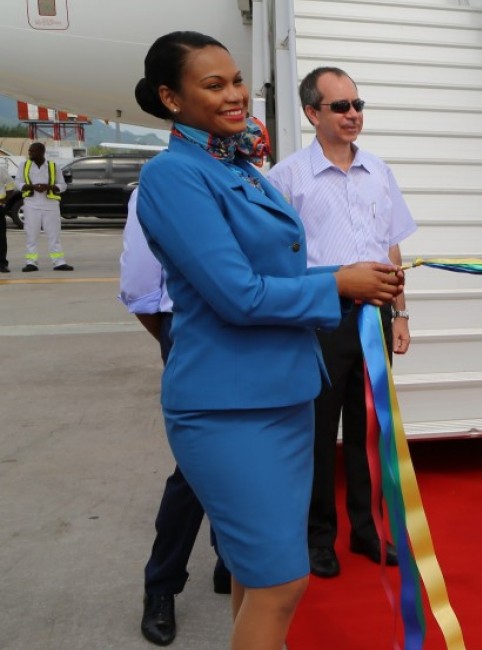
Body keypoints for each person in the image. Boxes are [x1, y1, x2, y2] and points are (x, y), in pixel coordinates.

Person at [133, 31, 402, 649]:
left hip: (283, 398)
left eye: (235, 81)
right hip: (228, 409)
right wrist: (337, 282)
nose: (234, 95)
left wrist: (355, 283)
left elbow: (274, 276)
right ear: (171, 98)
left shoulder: (240, 168)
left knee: (259, 581)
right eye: (213, 84)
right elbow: (238, 294)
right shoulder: (174, 176)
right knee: (283, 583)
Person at [266, 66, 416, 578]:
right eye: (341, 106)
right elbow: (275, 259)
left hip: (373, 318)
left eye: (358, 105)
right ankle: (318, 538)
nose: (354, 114)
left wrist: (400, 312)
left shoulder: (379, 170)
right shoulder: (286, 178)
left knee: (369, 432)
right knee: (316, 432)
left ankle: (369, 531)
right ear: (312, 113)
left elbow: (391, 246)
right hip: (319, 321)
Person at [120, 189, 232, 647]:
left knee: (241, 456)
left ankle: (230, 559)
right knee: (196, 464)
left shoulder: (248, 180)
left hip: (248, 335)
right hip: (189, 330)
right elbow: (140, 286)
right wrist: (174, 339)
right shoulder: (160, 186)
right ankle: (161, 587)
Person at [14, 142, 72, 272]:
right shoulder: (24, 165)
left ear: (41, 152)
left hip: (50, 205)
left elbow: (63, 185)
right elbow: (17, 182)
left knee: (54, 235)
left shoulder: (53, 166)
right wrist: (32, 186)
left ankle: (59, 262)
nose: (29, 154)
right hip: (31, 204)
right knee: (31, 235)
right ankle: (31, 262)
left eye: (32, 151)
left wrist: (49, 187)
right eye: (29, 151)